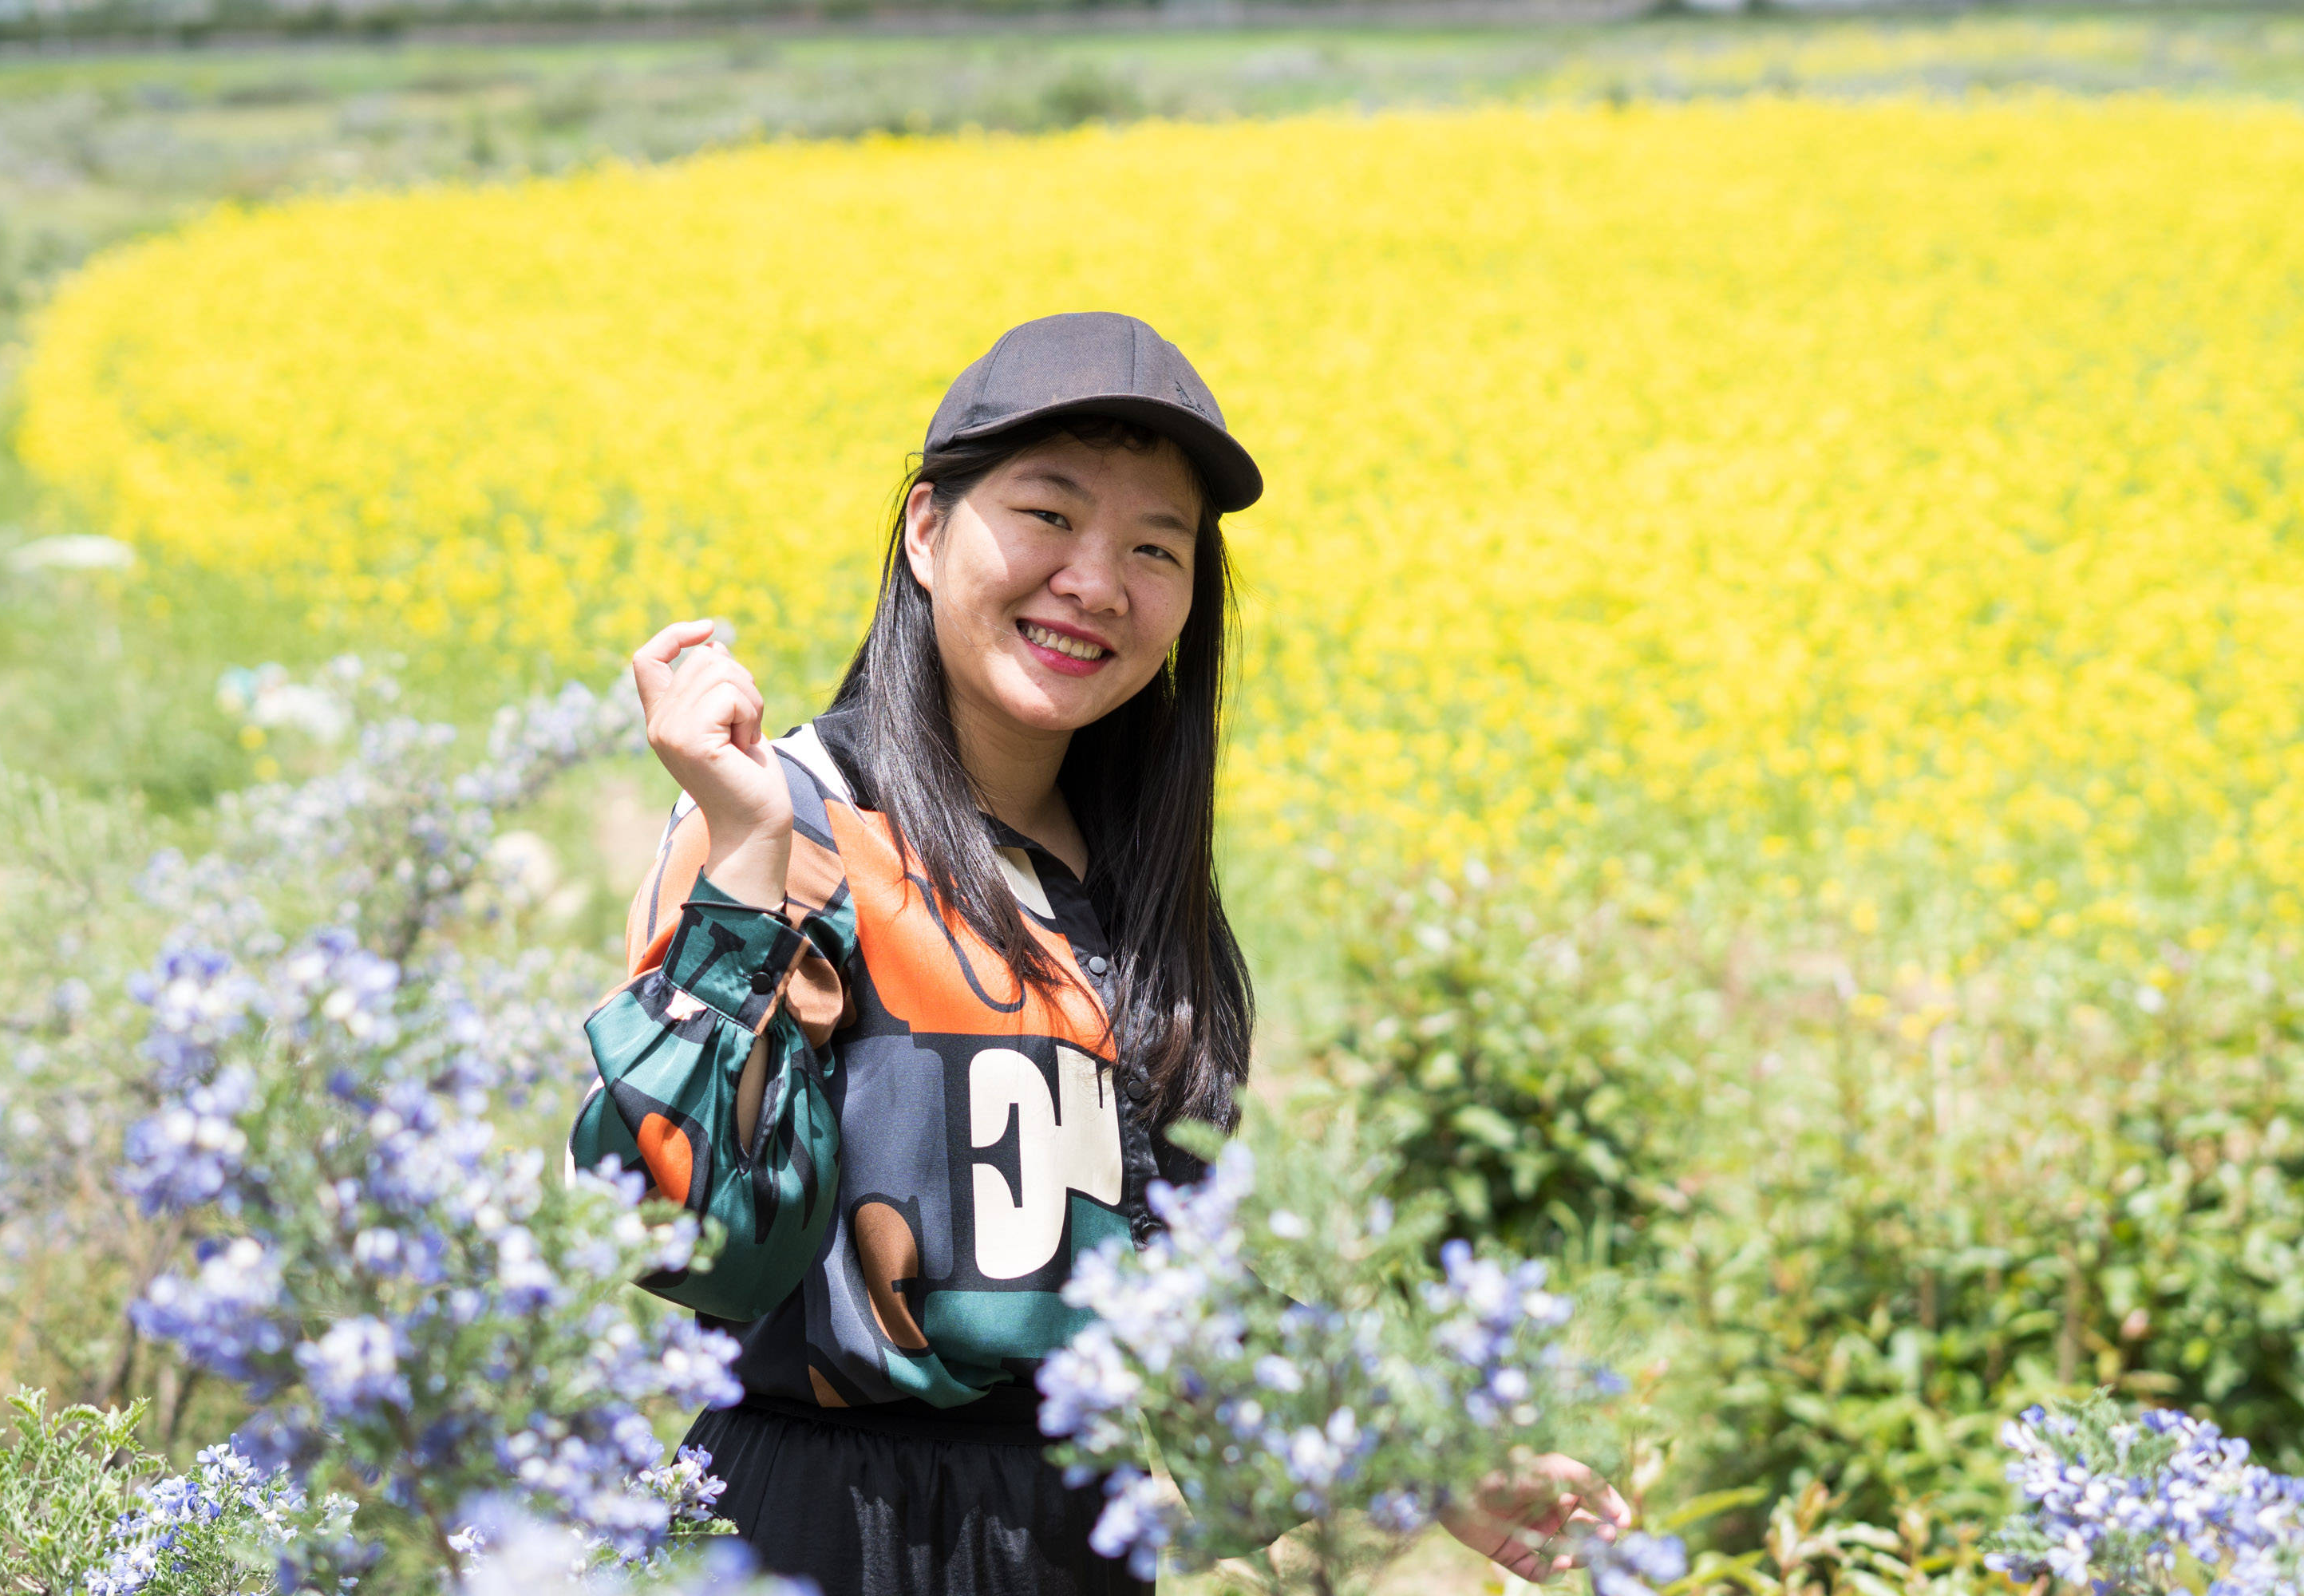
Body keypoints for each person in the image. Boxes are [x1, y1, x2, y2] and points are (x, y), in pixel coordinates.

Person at [571, 312, 1630, 1595]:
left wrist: (1431, 1459)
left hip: (1064, 1538)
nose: (1096, 583)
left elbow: (1177, 1295)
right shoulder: (780, 810)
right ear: (923, 530)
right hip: (803, 1528)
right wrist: (741, 854)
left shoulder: (1133, 900)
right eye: (1051, 517)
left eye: (1153, 548)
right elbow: (687, 1239)